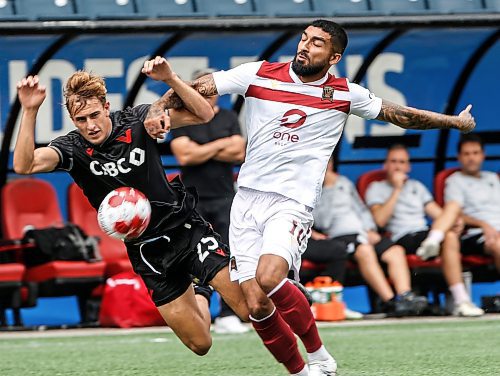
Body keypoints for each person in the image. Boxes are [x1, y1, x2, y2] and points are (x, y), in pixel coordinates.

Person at [144, 20, 476, 376]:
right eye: (304, 39)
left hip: (292, 202)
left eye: (317, 43)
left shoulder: (345, 93)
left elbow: (401, 115)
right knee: (255, 305)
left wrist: (452, 123)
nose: (305, 46)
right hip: (246, 201)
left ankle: (319, 355)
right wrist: (158, 105)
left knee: (269, 277)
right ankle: (302, 372)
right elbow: (200, 87)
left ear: (334, 56)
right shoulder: (259, 74)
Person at [13, 57, 249, 357]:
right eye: (81, 120)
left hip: (183, 228)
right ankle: (201, 290)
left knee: (246, 307)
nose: (90, 125)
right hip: (147, 251)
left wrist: (170, 79)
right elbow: (24, 164)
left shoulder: (138, 121)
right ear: (73, 121)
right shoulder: (72, 148)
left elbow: (203, 114)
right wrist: (30, 109)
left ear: (106, 107)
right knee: (200, 343)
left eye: (94, 115)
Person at [170, 68, 248, 334]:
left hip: (225, 197)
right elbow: (185, 157)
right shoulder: (182, 118)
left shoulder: (228, 117)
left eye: (212, 90)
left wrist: (202, 149)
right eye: (202, 90)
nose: (209, 95)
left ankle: (228, 314)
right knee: (194, 255)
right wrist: (220, 145)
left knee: (229, 254)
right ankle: (198, 312)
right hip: (194, 199)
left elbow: (239, 150)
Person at [365, 144, 484, 317]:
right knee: (447, 235)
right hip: (401, 237)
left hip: (424, 233)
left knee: (450, 229)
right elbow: (380, 220)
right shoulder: (376, 187)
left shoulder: (416, 186)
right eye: (393, 162)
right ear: (385, 165)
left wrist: (453, 222)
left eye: (402, 162)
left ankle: (461, 301)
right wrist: (397, 189)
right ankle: (459, 296)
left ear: (408, 167)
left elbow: (436, 213)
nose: (398, 166)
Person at [306, 158, 428, 317]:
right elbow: (323, 221)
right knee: (365, 250)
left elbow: (361, 208)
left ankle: (405, 296)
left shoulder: (343, 181)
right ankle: (390, 302)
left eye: (329, 162)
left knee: (395, 250)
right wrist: (328, 188)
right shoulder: (311, 189)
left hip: (364, 232)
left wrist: (370, 229)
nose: (326, 166)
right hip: (340, 236)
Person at [445, 133, 500, 273]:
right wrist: (483, 225)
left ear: (483, 155)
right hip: (476, 235)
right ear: (459, 157)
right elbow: (454, 214)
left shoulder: (493, 178)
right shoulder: (454, 181)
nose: (471, 158)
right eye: (466, 154)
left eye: (475, 153)